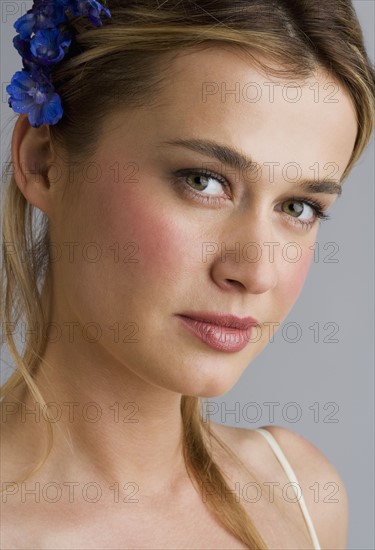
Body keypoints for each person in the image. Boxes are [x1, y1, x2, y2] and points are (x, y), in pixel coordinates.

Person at [0, 1, 374, 548]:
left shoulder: (299, 495)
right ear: (43, 163)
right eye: (203, 180)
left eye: (299, 208)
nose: (257, 272)